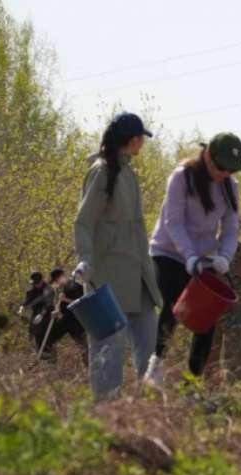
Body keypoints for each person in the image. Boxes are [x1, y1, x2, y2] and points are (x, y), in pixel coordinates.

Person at [74, 112, 162, 400]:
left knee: (151, 348)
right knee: (107, 350)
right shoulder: (101, 171)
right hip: (107, 276)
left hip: (137, 274)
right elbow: (84, 222)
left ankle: (152, 412)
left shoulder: (128, 172)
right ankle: (105, 418)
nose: (143, 144)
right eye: (141, 139)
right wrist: (85, 258)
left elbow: (135, 228)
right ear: (134, 139)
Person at [145, 132, 241, 387]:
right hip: (168, 252)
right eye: (221, 167)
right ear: (208, 157)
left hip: (205, 257)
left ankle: (192, 380)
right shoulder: (182, 177)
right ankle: (156, 364)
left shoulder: (231, 187)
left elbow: (232, 227)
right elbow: (173, 221)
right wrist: (189, 256)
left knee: (206, 316)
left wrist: (224, 256)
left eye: (231, 170)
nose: (225, 173)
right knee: (177, 303)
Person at [208, 241, 241, 383]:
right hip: (210, 309)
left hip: (235, 310)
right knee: (210, 351)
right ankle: (211, 388)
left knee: (234, 351)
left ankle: (234, 388)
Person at [47, 268, 88, 366]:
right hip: (66, 319)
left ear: (63, 276)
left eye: (57, 279)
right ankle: (51, 364)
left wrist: (65, 299)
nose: (57, 282)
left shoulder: (77, 285)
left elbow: (82, 302)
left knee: (82, 343)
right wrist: (56, 312)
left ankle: (89, 366)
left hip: (77, 320)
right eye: (55, 281)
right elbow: (60, 306)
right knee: (50, 338)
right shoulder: (60, 288)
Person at [20, 271, 56, 362]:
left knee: (49, 340)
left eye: (38, 283)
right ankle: (43, 359)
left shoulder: (49, 290)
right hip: (35, 316)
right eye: (34, 283)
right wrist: (21, 309)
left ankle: (52, 361)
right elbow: (26, 301)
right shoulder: (31, 291)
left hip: (47, 316)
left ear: (42, 280)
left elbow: (50, 305)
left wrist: (41, 315)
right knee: (37, 338)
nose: (36, 285)